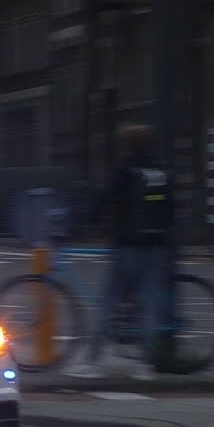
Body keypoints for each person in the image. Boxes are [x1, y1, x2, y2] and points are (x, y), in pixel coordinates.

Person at [65, 124, 176, 380]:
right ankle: (146, 367)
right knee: (150, 305)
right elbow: (171, 209)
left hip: (127, 246)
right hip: (156, 247)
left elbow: (104, 200)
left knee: (108, 302)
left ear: (126, 145)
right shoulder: (160, 171)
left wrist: (82, 224)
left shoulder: (124, 172)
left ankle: (90, 363)